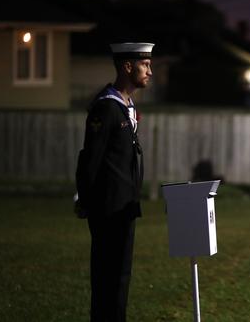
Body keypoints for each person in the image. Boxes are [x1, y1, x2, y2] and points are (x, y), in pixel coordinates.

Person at [75, 42, 154, 322]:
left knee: (121, 277)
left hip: (125, 205)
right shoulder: (107, 107)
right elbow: (90, 158)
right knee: (108, 278)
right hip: (108, 208)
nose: (150, 71)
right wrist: (85, 199)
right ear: (127, 66)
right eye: (145, 65)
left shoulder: (126, 106)